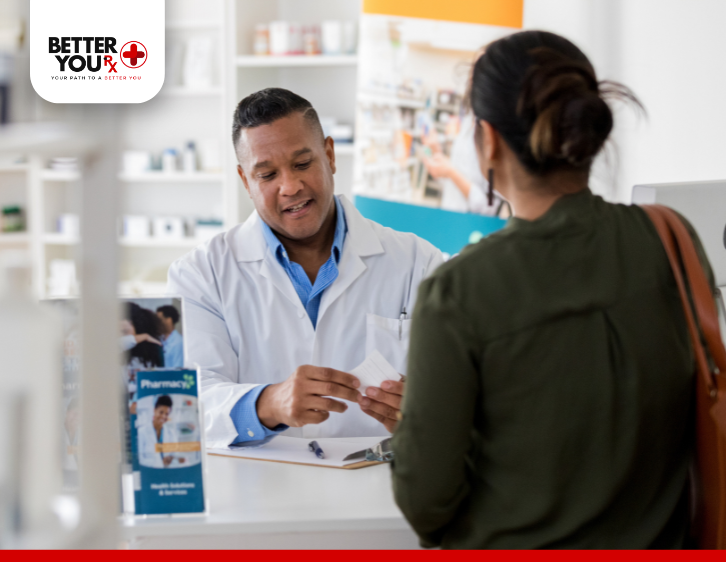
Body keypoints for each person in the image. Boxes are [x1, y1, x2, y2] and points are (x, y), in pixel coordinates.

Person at [391, 30, 712, 549]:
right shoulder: (670, 240)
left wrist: (420, 421)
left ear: (489, 140)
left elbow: (426, 503)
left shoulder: (457, 293)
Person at [167, 88, 443, 449]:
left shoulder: (417, 262)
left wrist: (430, 410)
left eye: (302, 164)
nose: (291, 187)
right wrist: (267, 404)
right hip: (258, 494)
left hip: (378, 488)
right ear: (245, 181)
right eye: (267, 174)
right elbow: (184, 404)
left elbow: (465, 388)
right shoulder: (201, 275)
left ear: (329, 155)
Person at [138, 395, 184, 468]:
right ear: (154, 410)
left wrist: (173, 460)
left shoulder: (171, 433)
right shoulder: (142, 432)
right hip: (150, 474)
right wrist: (160, 463)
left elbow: (176, 456)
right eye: (161, 412)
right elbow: (140, 459)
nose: (163, 416)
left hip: (168, 474)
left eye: (166, 414)